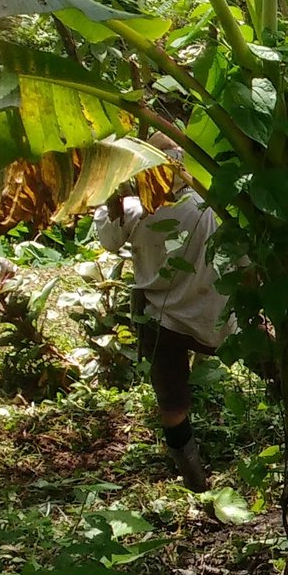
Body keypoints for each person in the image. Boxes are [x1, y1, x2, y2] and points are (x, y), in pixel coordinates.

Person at [94, 169, 232, 491]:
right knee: (271, 365)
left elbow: (107, 239)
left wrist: (109, 194)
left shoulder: (137, 210)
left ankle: (194, 480)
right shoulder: (209, 203)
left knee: (172, 404)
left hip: (163, 318)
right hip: (216, 315)